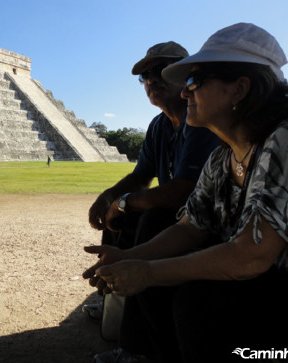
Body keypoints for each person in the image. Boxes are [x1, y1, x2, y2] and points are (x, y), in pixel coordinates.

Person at [84, 23, 288, 363]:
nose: (185, 92)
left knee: (200, 299)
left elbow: (251, 255)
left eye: (194, 81)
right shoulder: (224, 155)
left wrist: (147, 272)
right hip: (268, 277)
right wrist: (135, 257)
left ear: (239, 89)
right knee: (165, 254)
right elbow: (190, 226)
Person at [83, 42, 219, 319]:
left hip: (205, 221)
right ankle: (113, 299)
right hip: (181, 217)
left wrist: (125, 202)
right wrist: (110, 197)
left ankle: (138, 338)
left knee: (150, 218)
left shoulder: (199, 119)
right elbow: (141, 175)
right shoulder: (159, 125)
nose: (151, 79)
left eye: (161, 70)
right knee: (117, 219)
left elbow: (182, 191)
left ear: (184, 74)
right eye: (144, 76)